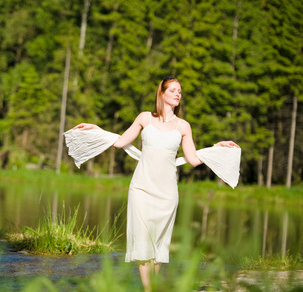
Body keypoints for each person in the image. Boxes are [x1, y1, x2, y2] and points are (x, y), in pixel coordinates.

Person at [72, 77, 239, 292]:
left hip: (167, 193)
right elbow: (122, 141)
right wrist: (96, 129)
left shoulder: (183, 126)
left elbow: (193, 159)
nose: (178, 94)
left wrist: (218, 146)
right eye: (173, 90)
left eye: (180, 91)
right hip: (141, 189)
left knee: (159, 245)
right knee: (143, 242)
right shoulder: (144, 118)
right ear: (161, 93)